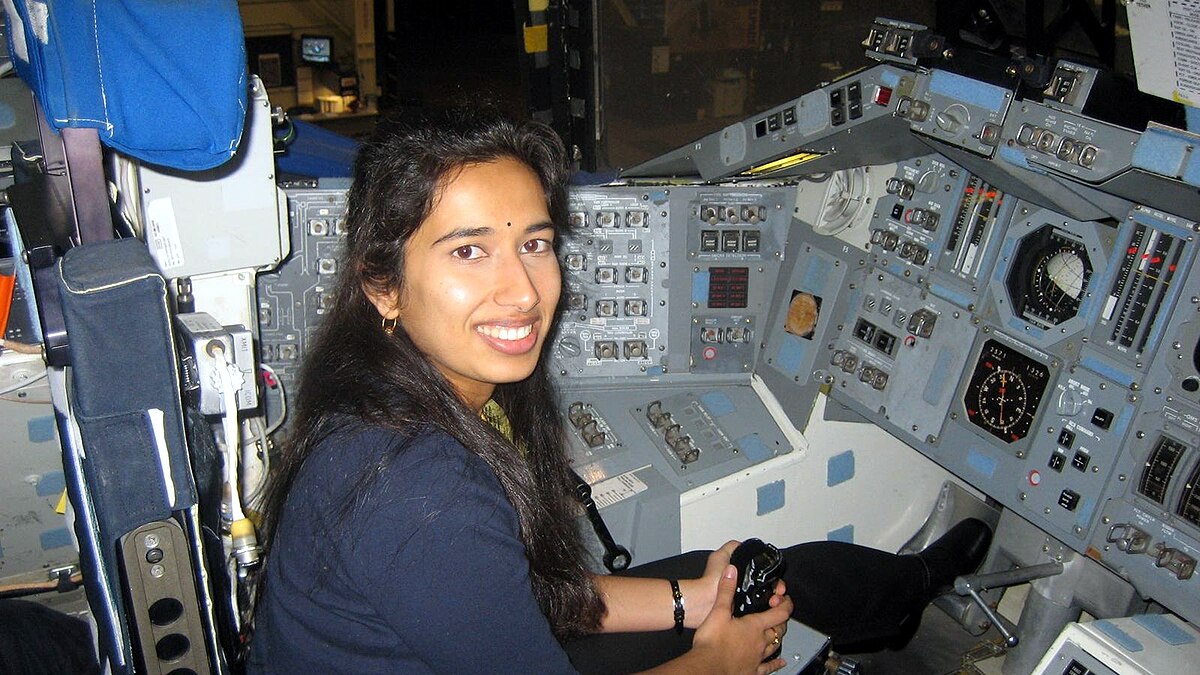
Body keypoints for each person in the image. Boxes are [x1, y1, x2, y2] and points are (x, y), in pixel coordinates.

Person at [246, 106, 990, 674]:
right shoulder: (417, 490)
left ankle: (915, 581)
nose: (522, 290)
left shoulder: (409, 399)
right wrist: (718, 660)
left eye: (533, 244)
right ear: (383, 285)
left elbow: (515, 595)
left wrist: (689, 601)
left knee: (738, 572)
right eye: (469, 250)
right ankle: (917, 585)